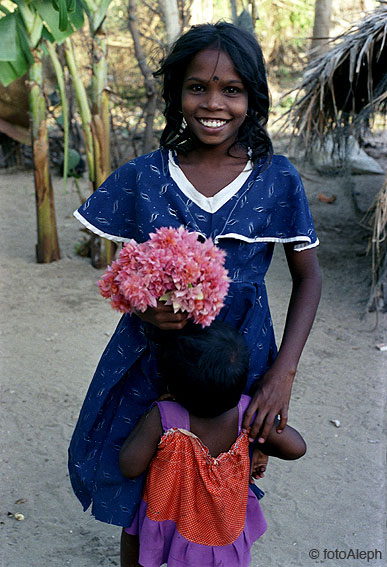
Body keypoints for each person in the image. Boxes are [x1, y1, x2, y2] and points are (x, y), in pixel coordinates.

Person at [68, 20, 321, 564]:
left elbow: (310, 277)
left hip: (240, 367)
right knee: (139, 482)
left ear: (253, 98)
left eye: (232, 90)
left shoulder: (278, 180)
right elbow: (126, 268)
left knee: (221, 477)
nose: (214, 103)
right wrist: (144, 305)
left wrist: (281, 375)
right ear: (176, 93)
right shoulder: (143, 177)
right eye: (197, 87)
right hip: (150, 361)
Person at [119, 321, 307, 567]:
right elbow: (297, 448)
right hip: (220, 527)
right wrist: (261, 421)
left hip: (167, 516)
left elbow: (129, 466)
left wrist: (149, 416)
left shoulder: (164, 417)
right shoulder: (247, 414)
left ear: (172, 388)